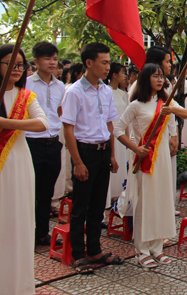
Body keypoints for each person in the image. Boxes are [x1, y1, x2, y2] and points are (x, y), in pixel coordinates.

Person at [114, 64, 187, 268]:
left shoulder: (166, 101)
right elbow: (118, 130)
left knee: (162, 201)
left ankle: (157, 248)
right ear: (145, 79)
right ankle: (142, 250)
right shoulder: (136, 105)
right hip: (145, 159)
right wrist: (136, 149)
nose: (159, 79)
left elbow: (186, 114)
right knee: (145, 203)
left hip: (163, 157)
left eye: (161, 76)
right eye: (155, 76)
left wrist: (172, 109)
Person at [61, 43, 124, 274]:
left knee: (98, 204)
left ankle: (94, 249)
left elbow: (109, 123)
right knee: (80, 205)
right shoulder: (74, 92)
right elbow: (68, 128)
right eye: (104, 62)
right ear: (89, 63)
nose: (108, 67)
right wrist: (77, 162)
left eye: (109, 62)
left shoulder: (105, 90)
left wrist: (112, 154)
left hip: (103, 150)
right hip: (84, 151)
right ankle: (79, 254)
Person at [0, 45, 48, 294]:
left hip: (18, 164)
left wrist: (6, 123)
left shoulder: (26, 96)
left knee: (18, 221)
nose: (16, 70)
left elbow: (42, 123)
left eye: (20, 65)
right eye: (10, 64)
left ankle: (18, 285)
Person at [24, 42, 66, 246]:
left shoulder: (60, 86)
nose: (52, 63)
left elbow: (59, 112)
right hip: (31, 143)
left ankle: (41, 232)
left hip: (53, 143)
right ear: (36, 61)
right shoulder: (25, 84)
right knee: (29, 191)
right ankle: (25, 232)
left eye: (55, 59)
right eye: (47, 58)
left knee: (47, 192)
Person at [105, 63, 130, 204]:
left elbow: (125, 115)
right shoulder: (106, 91)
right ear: (114, 75)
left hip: (122, 134)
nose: (124, 76)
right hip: (111, 132)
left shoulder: (123, 93)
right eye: (122, 73)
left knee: (121, 161)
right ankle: (108, 196)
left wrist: (127, 133)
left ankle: (118, 194)